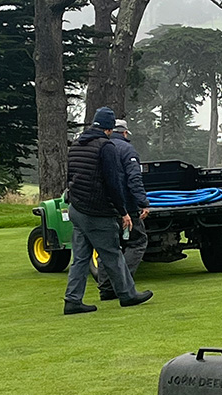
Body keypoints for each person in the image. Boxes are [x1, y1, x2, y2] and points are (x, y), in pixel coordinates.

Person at [63, 107, 153, 315]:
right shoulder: (106, 146)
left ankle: (72, 299)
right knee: (113, 254)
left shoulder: (76, 144)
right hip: (96, 211)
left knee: (81, 258)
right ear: (110, 128)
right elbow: (112, 183)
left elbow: (70, 176)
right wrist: (123, 212)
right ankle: (128, 295)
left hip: (76, 208)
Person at [97, 118, 150, 301]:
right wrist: (143, 202)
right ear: (125, 133)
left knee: (109, 247)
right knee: (137, 241)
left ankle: (105, 287)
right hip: (126, 206)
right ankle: (123, 285)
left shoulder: (100, 146)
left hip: (104, 208)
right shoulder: (127, 149)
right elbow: (134, 179)